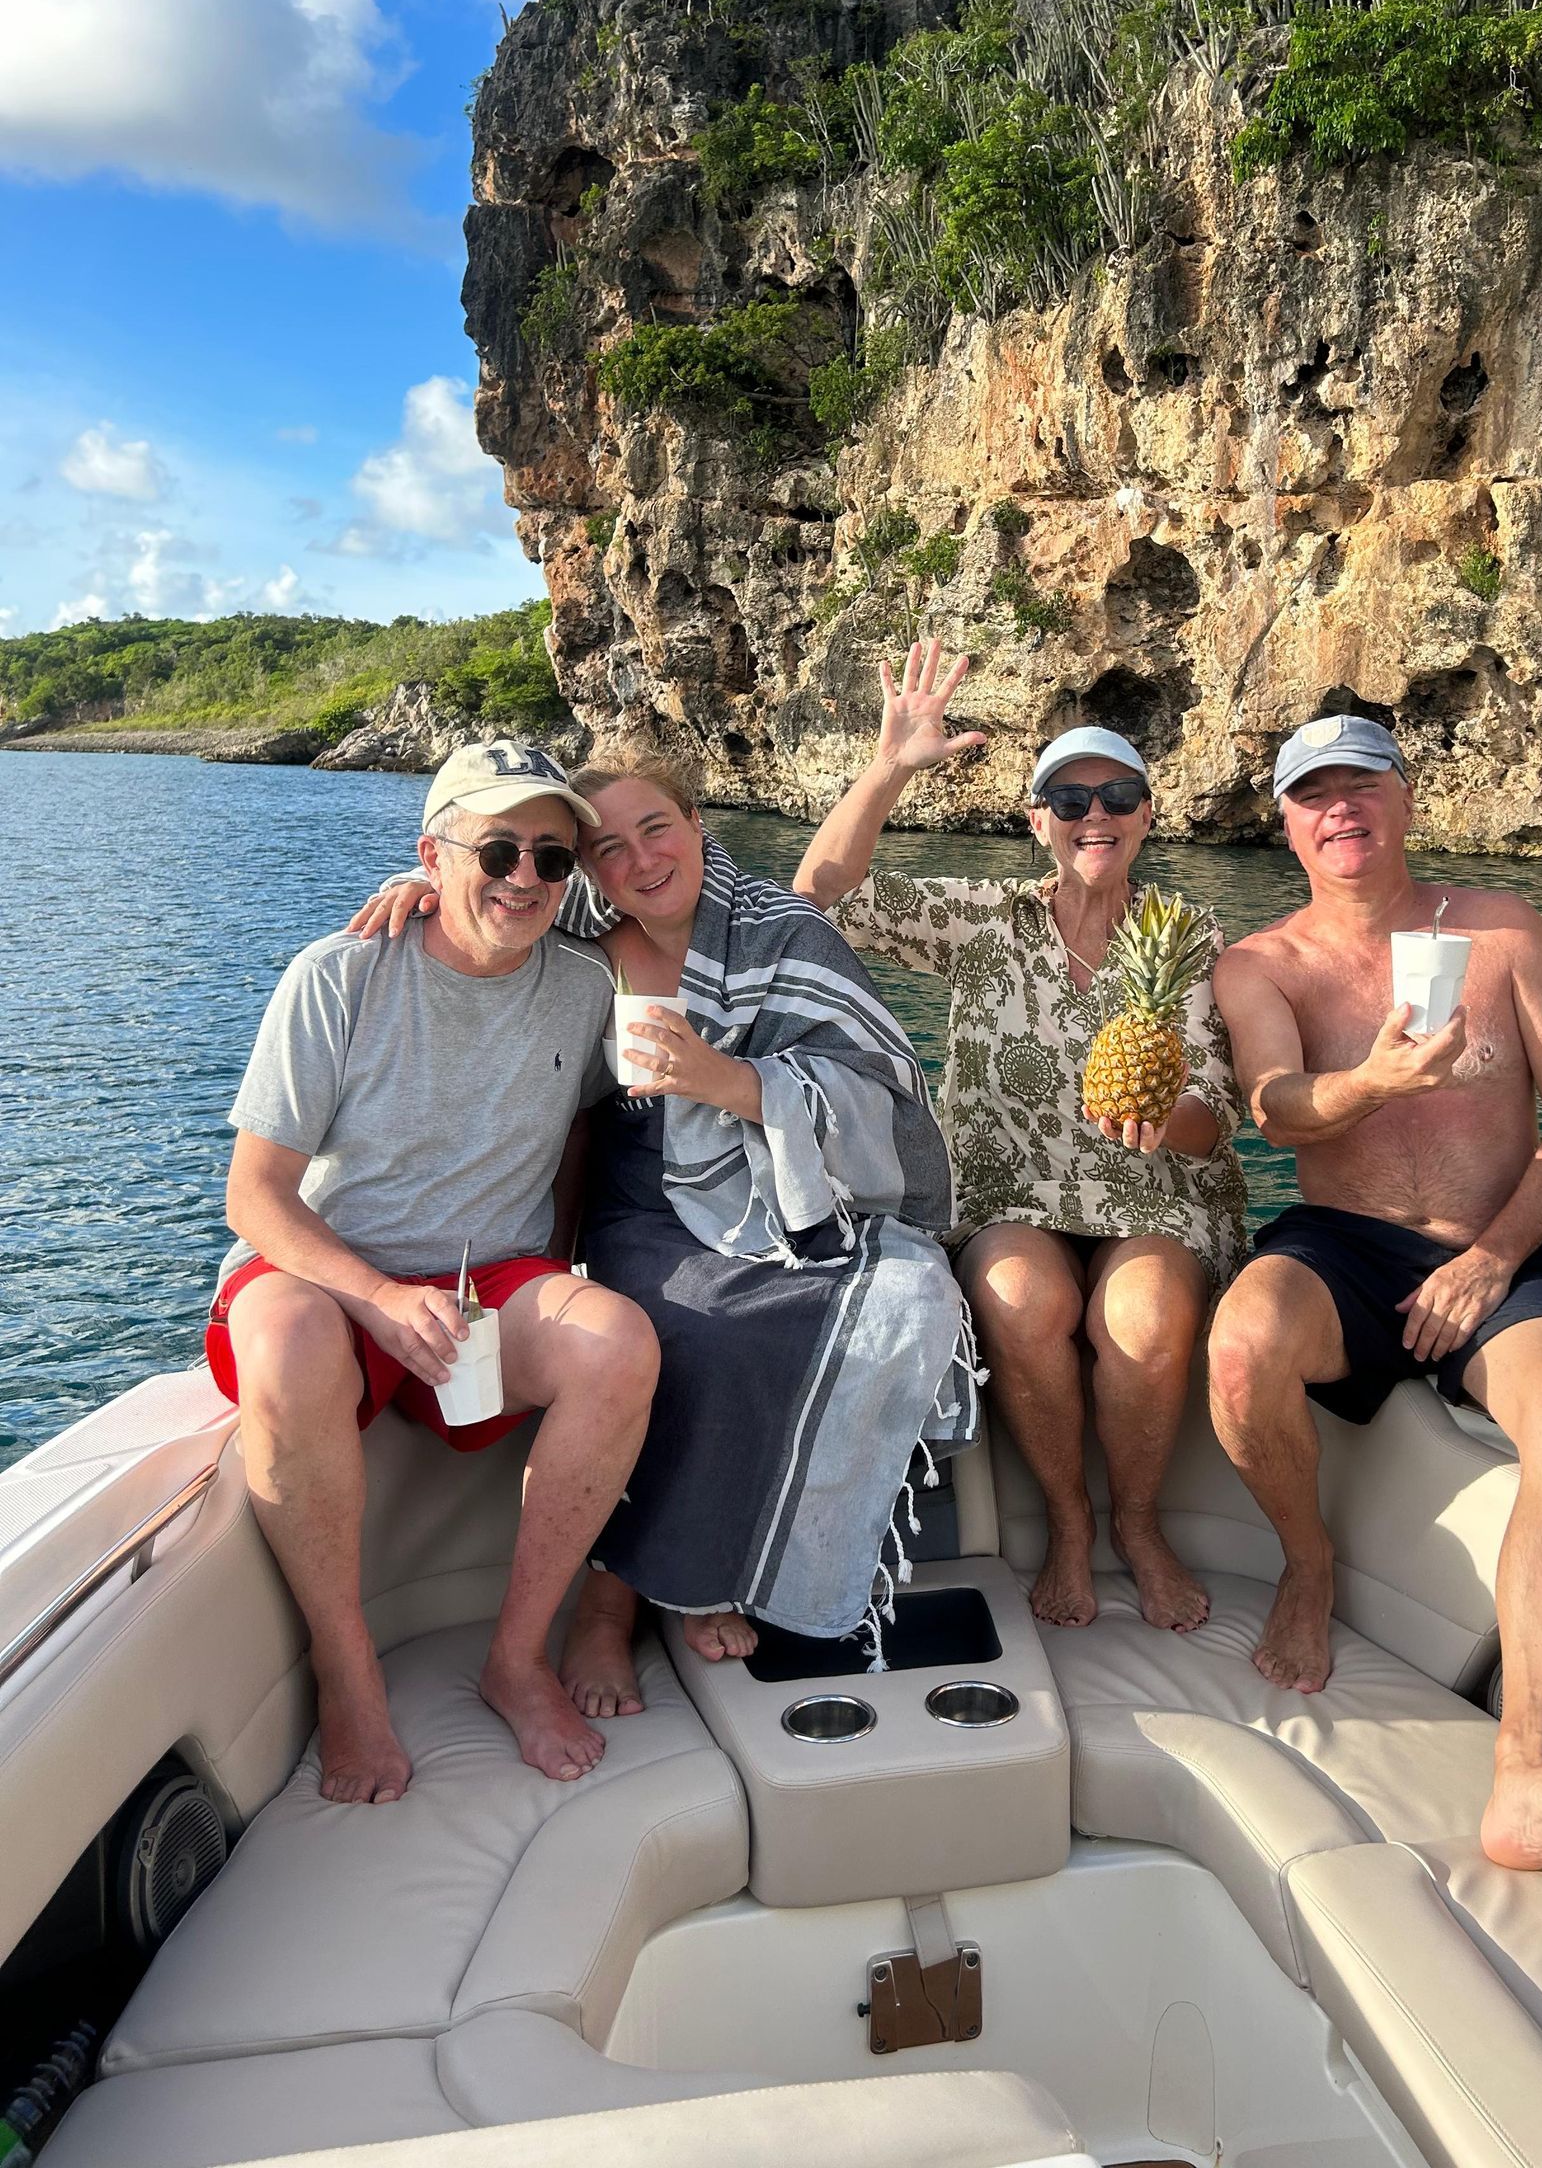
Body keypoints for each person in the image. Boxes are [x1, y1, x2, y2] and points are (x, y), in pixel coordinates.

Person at [350, 749, 976, 1714]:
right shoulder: (585, 950)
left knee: (905, 1291)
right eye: (607, 848)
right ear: (589, 873)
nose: (641, 859)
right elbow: (491, 923)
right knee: (685, 1326)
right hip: (645, 1193)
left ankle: (722, 1573)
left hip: (786, 1184)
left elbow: (873, 1092)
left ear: (696, 826)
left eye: (658, 829)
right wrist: (423, 886)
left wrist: (726, 1081)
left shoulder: (779, 932)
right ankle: (610, 1609)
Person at [1208, 711, 1542, 1872]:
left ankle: (1523, 1770)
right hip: (1342, 1245)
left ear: (1407, 799)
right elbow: (1273, 1105)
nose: (1340, 810)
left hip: (1496, 1246)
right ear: (1288, 824)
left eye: (1363, 786)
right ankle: (1309, 1563)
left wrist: (1497, 1256)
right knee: (1242, 1349)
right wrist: (1372, 1081)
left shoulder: (1503, 931)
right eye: (1314, 795)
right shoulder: (1259, 964)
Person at [209, 742, 660, 1805]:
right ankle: (345, 1662)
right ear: (432, 853)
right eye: (496, 848)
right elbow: (255, 1196)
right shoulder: (341, 973)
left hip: (486, 1281)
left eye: (552, 859)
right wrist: (376, 1294)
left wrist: (552, 1265)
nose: (523, 876)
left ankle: (517, 1658)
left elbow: (597, 1115)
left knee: (621, 1344)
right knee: (287, 1337)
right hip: (328, 1278)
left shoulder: (587, 983)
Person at [794, 638, 1246, 1637]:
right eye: (1070, 800)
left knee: (1148, 1315)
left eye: (1119, 795)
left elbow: (1217, 1116)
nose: (1097, 816)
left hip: (1154, 1193)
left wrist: (1155, 1110)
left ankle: (1139, 1522)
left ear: (1149, 813)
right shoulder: (985, 922)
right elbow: (817, 895)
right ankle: (1072, 1524)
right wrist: (891, 768)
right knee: (1018, 1295)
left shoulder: (1195, 937)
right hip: (1011, 1193)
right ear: (1034, 819)